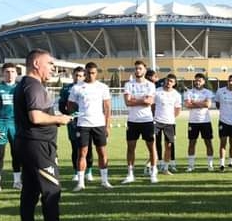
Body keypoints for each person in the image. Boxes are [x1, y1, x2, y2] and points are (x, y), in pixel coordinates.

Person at [14, 49, 75, 221]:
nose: (53, 67)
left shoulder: (25, 84)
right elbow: (36, 117)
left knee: (30, 193)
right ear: (37, 64)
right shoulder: (33, 86)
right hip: (38, 147)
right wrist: (60, 119)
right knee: (51, 191)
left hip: (29, 145)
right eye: (49, 63)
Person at [67, 62, 113, 191]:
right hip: (83, 125)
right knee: (82, 153)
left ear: (96, 73)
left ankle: (104, 181)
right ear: (85, 73)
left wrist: (107, 126)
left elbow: (108, 108)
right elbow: (69, 106)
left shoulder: (102, 87)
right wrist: (77, 116)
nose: (90, 75)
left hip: (99, 124)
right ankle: (81, 183)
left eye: (93, 73)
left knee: (102, 153)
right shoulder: (77, 87)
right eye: (88, 73)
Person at [0, 62, 21, 195]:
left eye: (12, 71)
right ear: (2, 73)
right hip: (1, 123)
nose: (10, 74)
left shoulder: (19, 88)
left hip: (16, 124)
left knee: (17, 154)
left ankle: (17, 182)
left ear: (16, 73)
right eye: (7, 72)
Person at [121, 60, 158, 184]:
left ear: (144, 70)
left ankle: (153, 173)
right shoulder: (128, 85)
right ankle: (130, 174)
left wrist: (135, 99)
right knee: (130, 148)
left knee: (151, 147)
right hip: (132, 121)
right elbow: (127, 102)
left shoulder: (150, 85)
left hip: (147, 121)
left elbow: (149, 102)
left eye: (140, 68)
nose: (138, 70)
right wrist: (142, 99)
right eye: (136, 68)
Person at [59, 67, 94, 183]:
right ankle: (76, 171)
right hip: (73, 122)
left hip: (87, 122)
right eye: (76, 75)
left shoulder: (89, 87)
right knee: (75, 147)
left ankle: (89, 171)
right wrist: (69, 116)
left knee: (87, 147)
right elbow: (62, 106)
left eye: (80, 75)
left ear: (84, 76)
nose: (78, 78)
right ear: (72, 76)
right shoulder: (66, 89)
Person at [184, 73, 215, 172]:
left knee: (208, 142)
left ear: (204, 82)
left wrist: (194, 102)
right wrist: (201, 103)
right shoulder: (189, 92)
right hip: (193, 122)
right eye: (196, 80)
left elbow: (208, 104)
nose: (198, 82)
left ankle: (210, 165)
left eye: (200, 80)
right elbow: (187, 105)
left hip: (205, 121)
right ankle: (191, 165)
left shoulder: (208, 92)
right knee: (192, 142)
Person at [214, 74, 232, 171]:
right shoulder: (220, 91)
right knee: (223, 143)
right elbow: (217, 104)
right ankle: (222, 164)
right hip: (223, 121)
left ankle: (230, 162)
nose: (230, 82)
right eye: (229, 81)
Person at [154, 74, 182, 174]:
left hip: (169, 123)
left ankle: (165, 168)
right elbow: (152, 105)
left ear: (174, 84)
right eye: (167, 80)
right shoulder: (157, 91)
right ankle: (153, 166)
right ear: (164, 81)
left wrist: (171, 117)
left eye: (171, 81)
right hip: (156, 122)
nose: (168, 83)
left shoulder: (177, 95)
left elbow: (178, 109)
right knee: (153, 144)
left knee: (169, 146)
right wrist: (154, 117)